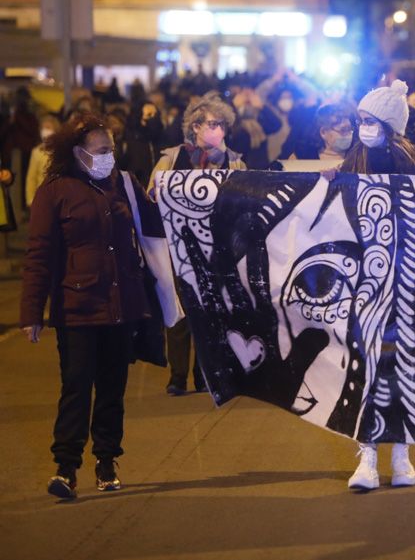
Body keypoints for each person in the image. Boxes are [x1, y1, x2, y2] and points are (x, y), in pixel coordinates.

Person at [20, 114, 153, 499]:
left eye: (112, 149)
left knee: (112, 388)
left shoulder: (125, 185)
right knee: (76, 386)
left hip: (121, 306)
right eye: (101, 151)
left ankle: (107, 460)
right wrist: (32, 313)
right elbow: (39, 255)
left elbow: (157, 226)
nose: (109, 156)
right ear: (78, 154)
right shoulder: (55, 192)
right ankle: (66, 467)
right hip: (77, 306)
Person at [334, 80, 415, 491]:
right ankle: (367, 456)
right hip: (367, 280)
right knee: (368, 365)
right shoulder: (353, 159)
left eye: (369, 120)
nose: (362, 127)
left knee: (405, 365)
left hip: (409, 281)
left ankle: (402, 454)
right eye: (360, 119)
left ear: (389, 124)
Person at [149, 93, 246, 396]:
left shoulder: (234, 161)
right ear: (192, 128)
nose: (210, 128)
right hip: (179, 247)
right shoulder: (172, 158)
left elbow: (244, 202)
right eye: (203, 123)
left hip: (216, 249)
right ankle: (177, 375)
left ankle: (205, 373)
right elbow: (153, 192)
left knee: (212, 314)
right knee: (180, 315)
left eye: (217, 123)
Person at [117, 101, 165, 187]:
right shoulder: (128, 142)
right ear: (139, 118)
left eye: (155, 114)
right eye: (149, 115)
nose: (153, 118)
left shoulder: (163, 141)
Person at [26, 114, 61, 207]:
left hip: (58, 197)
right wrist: (30, 200)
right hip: (41, 199)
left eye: (48, 128)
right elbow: (31, 178)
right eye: (43, 128)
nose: (45, 131)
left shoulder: (61, 150)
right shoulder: (36, 152)